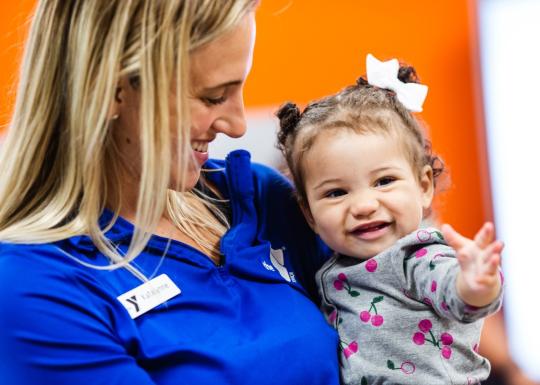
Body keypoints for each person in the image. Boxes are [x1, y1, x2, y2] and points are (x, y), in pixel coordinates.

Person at [0, 1, 340, 384]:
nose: (237, 125)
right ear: (112, 89)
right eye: (213, 97)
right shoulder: (37, 288)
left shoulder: (262, 199)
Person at [275, 53, 504, 385]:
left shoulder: (418, 257)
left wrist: (476, 284)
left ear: (424, 186)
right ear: (309, 213)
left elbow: (456, 295)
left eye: (384, 182)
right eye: (337, 193)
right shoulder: (330, 268)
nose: (364, 205)